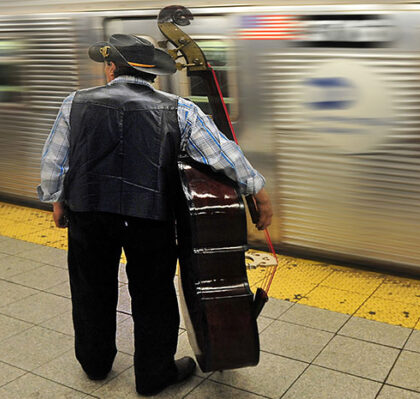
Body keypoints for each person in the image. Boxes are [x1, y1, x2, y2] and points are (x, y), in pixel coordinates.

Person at [38, 34, 272, 396]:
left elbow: (55, 158)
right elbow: (224, 156)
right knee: (153, 295)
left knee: (90, 289)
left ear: (112, 67)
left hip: (88, 213)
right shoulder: (180, 109)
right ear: (151, 74)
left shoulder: (75, 103)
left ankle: (95, 364)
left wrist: (55, 199)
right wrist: (256, 189)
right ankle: (153, 373)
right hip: (150, 216)